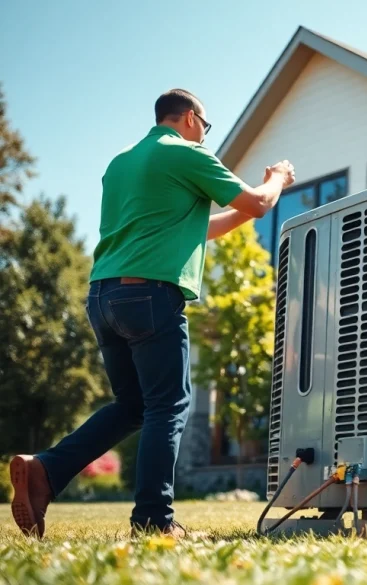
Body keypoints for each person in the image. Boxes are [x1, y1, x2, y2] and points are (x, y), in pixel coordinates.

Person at [8, 89, 296, 538]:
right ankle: (153, 520)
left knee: (133, 406)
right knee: (170, 406)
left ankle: (46, 470)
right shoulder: (185, 154)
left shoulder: (122, 164)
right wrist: (277, 177)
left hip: (103, 297)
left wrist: (244, 213)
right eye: (206, 126)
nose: (205, 137)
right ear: (188, 119)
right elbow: (259, 202)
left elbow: (206, 227)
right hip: (149, 297)